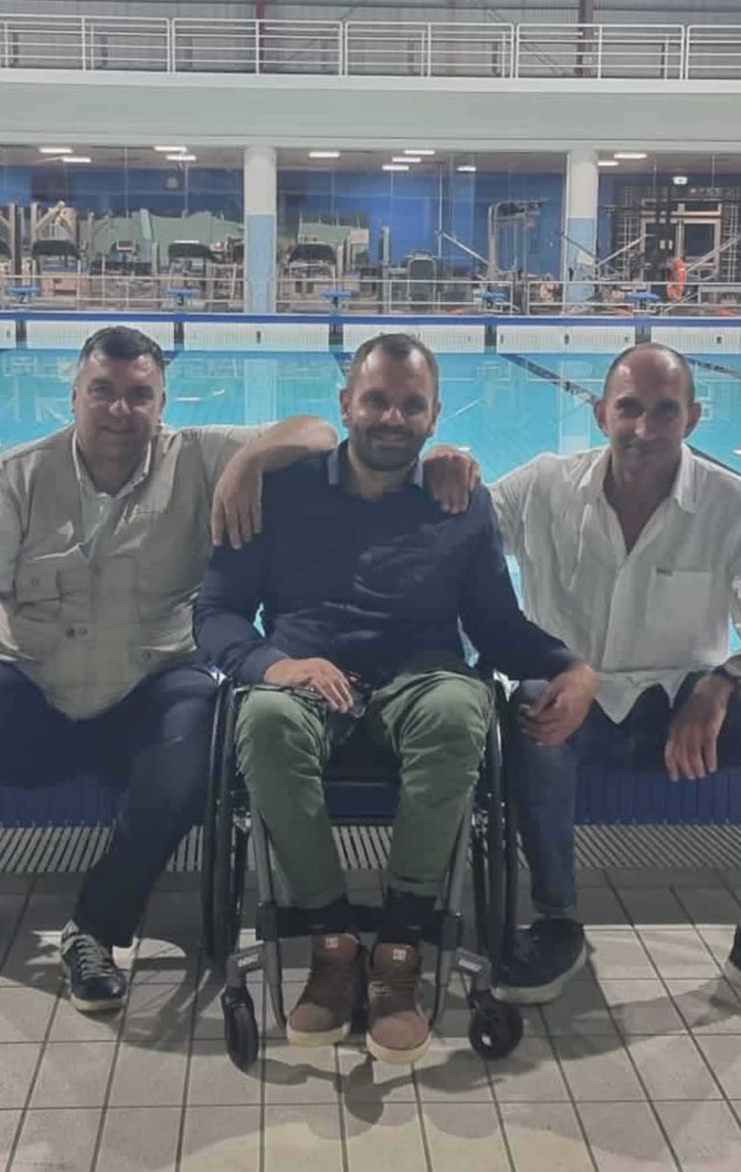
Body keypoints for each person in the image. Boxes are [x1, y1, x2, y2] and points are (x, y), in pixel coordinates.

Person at [0, 325, 342, 1012]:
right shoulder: (18, 477)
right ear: (74, 395)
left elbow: (318, 433)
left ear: (162, 405)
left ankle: (98, 927)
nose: (119, 409)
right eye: (102, 391)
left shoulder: (197, 457)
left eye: (139, 395)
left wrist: (250, 459)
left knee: (200, 729)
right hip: (33, 688)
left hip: (152, 690)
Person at [195, 334, 600, 1065]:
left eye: (411, 405)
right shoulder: (279, 492)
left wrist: (569, 666)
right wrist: (273, 665)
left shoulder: (457, 501)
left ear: (434, 415)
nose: (392, 417)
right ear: (346, 403)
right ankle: (333, 939)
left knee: (459, 709)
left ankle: (401, 946)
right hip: (305, 676)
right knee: (263, 715)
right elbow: (217, 612)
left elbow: (494, 624)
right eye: (376, 400)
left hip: (421, 678)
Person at [488, 343, 741, 1030]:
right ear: (601, 413)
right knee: (534, 700)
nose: (645, 428)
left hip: (685, 716)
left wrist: (723, 682)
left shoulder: (728, 502)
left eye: (665, 410)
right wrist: (448, 470)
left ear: (693, 417)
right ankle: (557, 921)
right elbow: (456, 533)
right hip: (574, 709)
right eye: (629, 408)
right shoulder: (543, 487)